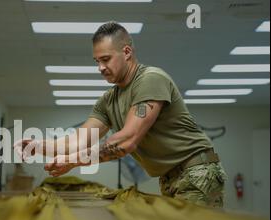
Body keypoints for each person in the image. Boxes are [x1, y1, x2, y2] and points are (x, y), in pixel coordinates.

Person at [16, 21, 227, 208]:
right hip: (168, 177)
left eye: (106, 59)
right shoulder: (108, 101)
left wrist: (73, 161)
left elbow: (127, 140)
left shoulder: (150, 79)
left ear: (126, 52)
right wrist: (38, 146)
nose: (100, 67)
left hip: (197, 171)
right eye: (96, 61)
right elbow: (78, 140)